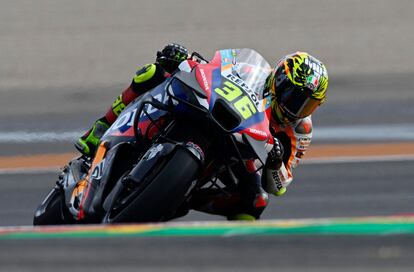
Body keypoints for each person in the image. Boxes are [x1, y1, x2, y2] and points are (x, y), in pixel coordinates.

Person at [76, 44, 328, 221]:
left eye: (307, 104)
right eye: (294, 97)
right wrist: (184, 57)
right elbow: (215, 66)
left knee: (257, 201)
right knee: (157, 71)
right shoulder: (252, 70)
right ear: (280, 80)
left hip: (240, 156)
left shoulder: (300, 129)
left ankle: (232, 253)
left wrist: (275, 161)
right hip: (210, 113)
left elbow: (281, 185)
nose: (297, 107)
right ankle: (101, 127)